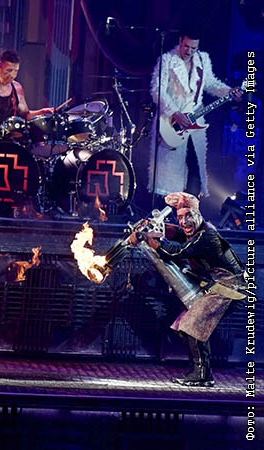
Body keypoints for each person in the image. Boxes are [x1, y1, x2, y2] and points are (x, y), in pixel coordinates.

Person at [128, 192, 245, 387]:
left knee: (193, 323)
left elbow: (176, 252)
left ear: (198, 215)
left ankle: (202, 375)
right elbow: (178, 234)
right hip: (222, 286)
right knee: (186, 323)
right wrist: (151, 227)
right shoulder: (199, 232)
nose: (184, 222)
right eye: (180, 217)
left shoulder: (207, 236)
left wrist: (149, 238)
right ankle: (200, 372)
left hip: (231, 288)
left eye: (188, 216)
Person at [149, 28, 242, 197]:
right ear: (180, 40)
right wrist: (175, 113)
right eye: (186, 46)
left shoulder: (202, 60)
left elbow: (211, 83)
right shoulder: (167, 60)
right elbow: (157, 91)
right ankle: (169, 208)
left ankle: (190, 208)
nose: (189, 51)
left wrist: (228, 91)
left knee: (195, 168)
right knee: (170, 174)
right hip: (171, 122)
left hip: (195, 121)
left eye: (194, 48)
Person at [0, 49, 54, 122]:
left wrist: (42, 112)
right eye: (9, 70)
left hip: (10, 135)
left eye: (16, 71)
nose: (12, 75)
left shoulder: (17, 88)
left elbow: (25, 115)